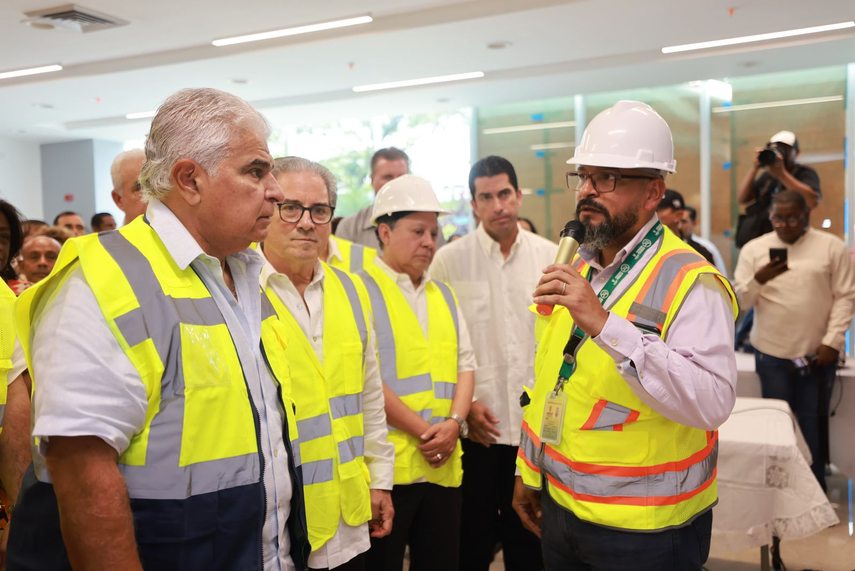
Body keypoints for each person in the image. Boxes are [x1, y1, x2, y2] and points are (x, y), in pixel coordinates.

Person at [7, 87, 311, 571]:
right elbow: (81, 468)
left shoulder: (247, 275)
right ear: (189, 179)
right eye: (256, 171)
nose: (276, 190)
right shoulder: (102, 281)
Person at [512, 100, 738, 571]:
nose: (588, 191)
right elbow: (552, 377)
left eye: (608, 179)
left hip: (649, 531)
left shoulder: (692, 280)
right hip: (562, 509)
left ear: (654, 192)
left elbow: (714, 401)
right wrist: (529, 470)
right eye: (584, 177)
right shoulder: (576, 263)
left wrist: (606, 325)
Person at [261, 156, 395, 570]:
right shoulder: (242, 291)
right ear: (267, 210)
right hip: (280, 522)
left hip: (349, 515)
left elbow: (369, 395)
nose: (306, 222)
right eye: (291, 208)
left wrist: (381, 482)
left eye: (319, 211)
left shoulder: (352, 290)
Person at [430, 156, 554, 571]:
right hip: (477, 432)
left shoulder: (552, 257)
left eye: (505, 194)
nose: (498, 204)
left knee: (531, 545)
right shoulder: (448, 261)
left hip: (534, 434)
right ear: (474, 205)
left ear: (519, 196)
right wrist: (462, 410)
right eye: (487, 197)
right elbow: (436, 345)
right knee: (471, 543)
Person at [361, 175, 475, 571]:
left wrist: (455, 424)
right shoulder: (358, 290)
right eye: (418, 231)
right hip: (387, 471)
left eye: (434, 231)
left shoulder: (442, 293)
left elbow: (466, 365)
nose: (430, 241)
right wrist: (427, 432)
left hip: (442, 466)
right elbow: (367, 379)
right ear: (385, 231)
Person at [733, 190, 855, 491]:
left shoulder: (831, 247)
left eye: (792, 218)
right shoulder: (754, 249)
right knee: (777, 421)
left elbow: (845, 296)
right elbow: (740, 301)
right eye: (778, 218)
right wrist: (759, 278)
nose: (784, 224)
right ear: (770, 216)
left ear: (806, 216)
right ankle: (780, 490)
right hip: (770, 352)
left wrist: (833, 340)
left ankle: (813, 489)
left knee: (812, 420)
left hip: (817, 352)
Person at [336, 149, 448, 251]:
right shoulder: (349, 228)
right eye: (388, 177)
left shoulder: (430, 228)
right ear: (372, 180)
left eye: (401, 177)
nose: (396, 184)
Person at [736, 131, 821, 247]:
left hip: (791, 240)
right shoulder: (767, 175)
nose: (779, 154)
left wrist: (782, 174)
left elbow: (812, 201)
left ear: (797, 152)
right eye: (773, 149)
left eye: (783, 149)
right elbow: (742, 199)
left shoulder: (804, 173)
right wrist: (755, 168)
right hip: (760, 238)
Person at [656, 190, 715, 264]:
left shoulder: (699, 253)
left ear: (678, 215)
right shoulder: (644, 247)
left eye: (658, 210)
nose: (653, 214)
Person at [682, 206, 728, 277]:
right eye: (677, 221)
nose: (679, 226)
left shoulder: (706, 248)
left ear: (694, 224)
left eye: (683, 221)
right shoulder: (667, 245)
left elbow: (722, 277)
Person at [111, 149, 148, 226]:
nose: (154, 196)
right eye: (141, 188)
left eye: (159, 186)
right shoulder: (110, 238)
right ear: (118, 199)